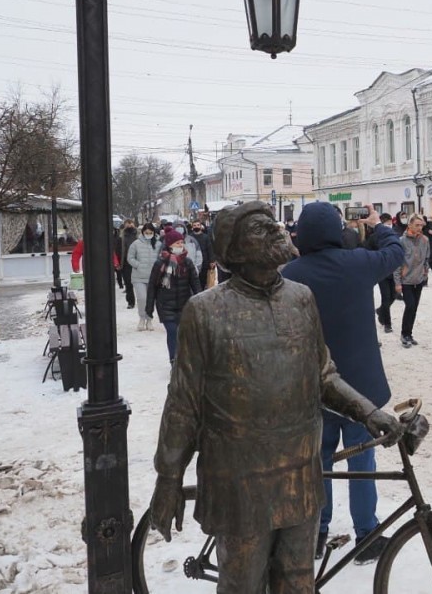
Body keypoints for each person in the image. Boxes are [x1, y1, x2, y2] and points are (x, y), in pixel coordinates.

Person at [149, 201, 403, 592]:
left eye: (273, 224)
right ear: (232, 249)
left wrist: (369, 413)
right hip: (240, 479)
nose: (273, 231)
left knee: (298, 582)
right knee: (244, 583)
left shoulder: (300, 298)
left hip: (299, 472)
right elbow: (183, 402)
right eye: (258, 228)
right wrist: (169, 477)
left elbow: (323, 375)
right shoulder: (206, 311)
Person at [282, 202, 405, 563]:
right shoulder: (357, 265)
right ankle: (366, 534)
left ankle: (317, 533)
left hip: (312, 388)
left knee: (317, 463)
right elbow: (396, 250)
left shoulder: (289, 274)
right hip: (360, 388)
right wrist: (375, 224)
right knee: (361, 462)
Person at [145, 229, 201, 364]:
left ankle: (183, 359)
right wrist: (149, 307)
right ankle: (174, 360)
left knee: (183, 334)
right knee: (172, 332)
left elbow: (195, 283)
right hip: (165, 305)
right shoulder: (160, 263)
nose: (180, 245)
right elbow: (152, 286)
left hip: (184, 304)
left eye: (182, 242)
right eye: (177, 243)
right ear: (170, 245)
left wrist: (200, 301)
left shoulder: (187, 263)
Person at [395, 215, 430, 347]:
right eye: (417, 225)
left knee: (414, 308)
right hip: (406, 280)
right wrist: (397, 282)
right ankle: (404, 334)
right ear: (409, 225)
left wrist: (425, 272)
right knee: (409, 306)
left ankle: (409, 333)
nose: (419, 228)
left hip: (419, 279)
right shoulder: (402, 241)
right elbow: (398, 263)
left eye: (421, 225)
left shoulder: (425, 240)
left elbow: (427, 258)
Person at [127, 222, 160, 331]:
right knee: (142, 298)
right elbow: (130, 257)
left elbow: (162, 258)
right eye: (146, 233)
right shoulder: (136, 244)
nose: (148, 234)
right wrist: (138, 265)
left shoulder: (158, 244)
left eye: (150, 233)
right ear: (142, 232)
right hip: (139, 277)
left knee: (151, 300)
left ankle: (149, 319)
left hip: (153, 277)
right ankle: (142, 318)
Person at [370, 213, 398, 334]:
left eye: (390, 224)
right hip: (382, 272)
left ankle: (381, 311)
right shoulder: (374, 237)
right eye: (386, 224)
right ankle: (387, 323)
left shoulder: (394, 235)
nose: (389, 226)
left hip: (394, 271)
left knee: (393, 296)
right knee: (386, 298)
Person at [117, 219, 138, 308]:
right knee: (128, 284)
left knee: (141, 283)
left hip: (138, 262)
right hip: (126, 263)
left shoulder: (138, 234)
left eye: (131, 223)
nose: (129, 225)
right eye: (127, 223)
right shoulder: (121, 236)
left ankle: (143, 300)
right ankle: (130, 302)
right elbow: (118, 250)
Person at [190, 219, 215, 290]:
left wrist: (212, 261)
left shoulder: (206, 237)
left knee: (203, 281)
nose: (196, 227)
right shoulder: (190, 237)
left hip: (204, 263)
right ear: (192, 227)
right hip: (193, 263)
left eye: (198, 225)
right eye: (194, 225)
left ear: (201, 226)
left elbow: (210, 249)